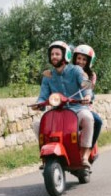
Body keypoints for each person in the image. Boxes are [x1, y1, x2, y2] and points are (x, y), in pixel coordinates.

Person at [32, 40, 94, 169]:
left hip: (77, 108)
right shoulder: (47, 75)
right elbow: (43, 96)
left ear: (66, 56)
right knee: (37, 124)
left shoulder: (76, 70)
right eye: (52, 54)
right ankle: (48, 156)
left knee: (88, 117)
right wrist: (38, 104)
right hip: (57, 111)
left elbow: (86, 84)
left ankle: (84, 155)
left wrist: (87, 95)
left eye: (57, 54)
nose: (54, 56)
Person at [72, 44, 103, 147]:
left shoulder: (91, 75)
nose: (80, 61)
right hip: (68, 106)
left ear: (89, 61)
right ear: (74, 58)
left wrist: (88, 97)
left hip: (84, 107)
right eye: (79, 58)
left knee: (97, 121)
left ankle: (89, 147)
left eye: (84, 59)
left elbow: (88, 90)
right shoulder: (68, 71)